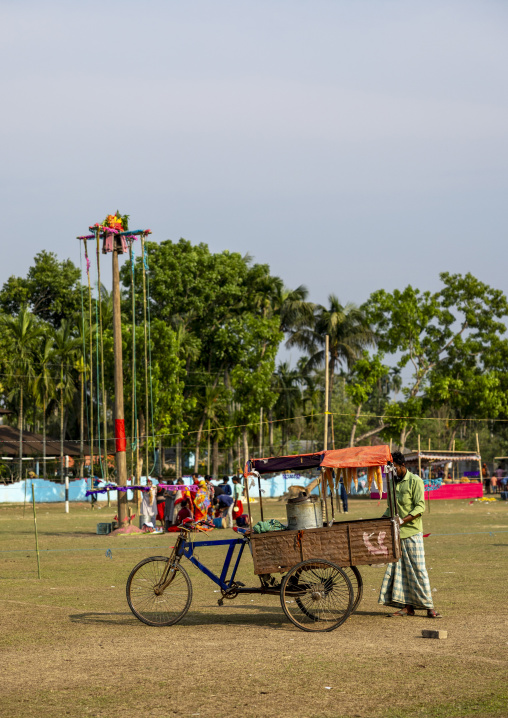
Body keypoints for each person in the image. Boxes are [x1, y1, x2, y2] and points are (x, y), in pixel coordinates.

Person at [378, 451, 442, 619]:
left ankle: (429, 607)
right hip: (397, 534)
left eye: (394, 469)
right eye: (389, 470)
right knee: (401, 571)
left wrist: (402, 521)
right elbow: (390, 508)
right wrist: (381, 520)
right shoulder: (392, 483)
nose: (392, 472)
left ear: (402, 466)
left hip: (412, 532)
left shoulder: (415, 481)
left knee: (419, 570)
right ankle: (408, 607)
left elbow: (420, 508)